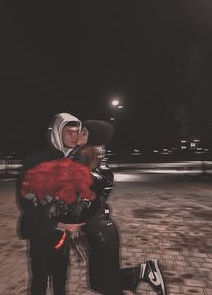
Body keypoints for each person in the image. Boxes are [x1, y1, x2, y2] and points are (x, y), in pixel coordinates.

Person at [70, 120, 167, 295]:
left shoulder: (97, 170)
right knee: (96, 283)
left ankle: (144, 271)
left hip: (101, 235)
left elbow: (87, 200)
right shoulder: (83, 160)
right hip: (93, 234)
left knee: (110, 288)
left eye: (83, 132)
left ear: (93, 138)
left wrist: (71, 220)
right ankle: (142, 272)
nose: (78, 135)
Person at [16, 112, 85, 295]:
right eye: (69, 132)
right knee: (40, 279)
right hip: (41, 232)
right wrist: (56, 223)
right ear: (57, 132)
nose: (74, 136)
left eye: (77, 132)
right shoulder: (35, 161)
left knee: (61, 278)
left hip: (63, 234)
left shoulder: (72, 161)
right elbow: (26, 202)